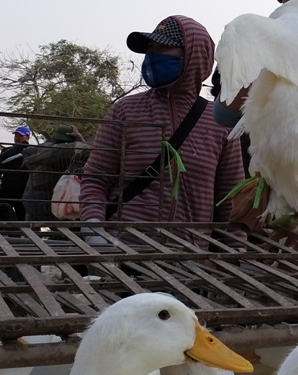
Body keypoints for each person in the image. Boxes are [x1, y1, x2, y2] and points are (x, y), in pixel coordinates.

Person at [79, 15, 245, 227]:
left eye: (163, 48)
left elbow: (230, 198)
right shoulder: (125, 111)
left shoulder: (218, 120)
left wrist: (235, 247)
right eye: (150, 48)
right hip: (121, 249)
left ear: (194, 56)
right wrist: (93, 228)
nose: (152, 55)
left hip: (192, 254)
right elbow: (96, 179)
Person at [22, 124, 86, 220]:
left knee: (32, 224)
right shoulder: (66, 152)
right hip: (47, 199)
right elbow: (88, 150)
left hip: (30, 195)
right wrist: (81, 139)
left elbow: (26, 151)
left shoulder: (44, 148)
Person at [0, 125, 31, 219]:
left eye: (21, 136)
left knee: (17, 214)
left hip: (22, 189)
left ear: (27, 137)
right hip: (9, 187)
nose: (17, 138)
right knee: (3, 213)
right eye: (16, 135)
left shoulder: (31, 151)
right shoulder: (7, 151)